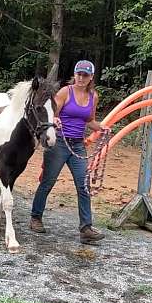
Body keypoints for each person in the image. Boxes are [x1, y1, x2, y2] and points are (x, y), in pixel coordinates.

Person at [30, 60, 106, 244]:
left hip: (78, 145)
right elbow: (52, 113)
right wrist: (55, 120)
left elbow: (89, 120)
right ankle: (35, 217)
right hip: (60, 143)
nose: (81, 77)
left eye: (85, 75)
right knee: (48, 181)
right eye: (79, 74)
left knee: (83, 186)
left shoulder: (93, 97)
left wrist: (103, 128)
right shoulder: (66, 92)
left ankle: (86, 228)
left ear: (91, 77)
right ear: (75, 74)